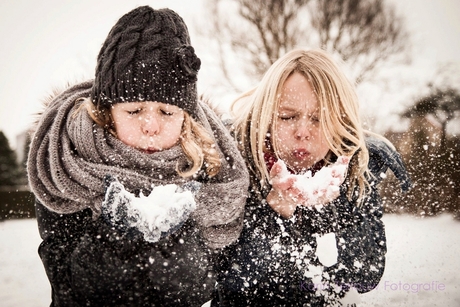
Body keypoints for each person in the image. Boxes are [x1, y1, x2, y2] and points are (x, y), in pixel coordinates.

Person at [27, 6, 249, 306]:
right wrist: (115, 235)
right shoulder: (69, 164)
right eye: (133, 110)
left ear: (186, 117)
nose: (151, 126)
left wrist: (178, 246)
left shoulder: (208, 172)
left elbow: (204, 288)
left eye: (167, 112)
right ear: (107, 113)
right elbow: (70, 288)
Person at [211, 49, 411, 306]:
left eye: (319, 118)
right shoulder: (233, 166)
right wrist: (277, 212)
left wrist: (334, 209)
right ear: (266, 116)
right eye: (287, 116)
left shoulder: (354, 171)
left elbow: (363, 275)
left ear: (339, 122)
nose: (303, 131)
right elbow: (234, 285)